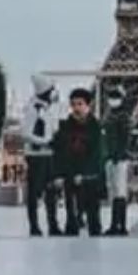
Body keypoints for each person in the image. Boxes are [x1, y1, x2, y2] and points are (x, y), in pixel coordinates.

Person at [50, 87, 105, 236]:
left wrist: (86, 174)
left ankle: (94, 237)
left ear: (88, 105)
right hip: (70, 172)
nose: (76, 108)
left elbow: (97, 154)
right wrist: (58, 174)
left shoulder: (95, 127)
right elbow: (59, 152)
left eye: (80, 104)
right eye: (73, 104)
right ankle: (72, 232)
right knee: (71, 211)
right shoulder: (65, 127)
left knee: (93, 212)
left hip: (89, 176)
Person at [20, 74, 62, 236]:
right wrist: (45, 141)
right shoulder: (33, 109)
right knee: (34, 192)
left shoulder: (47, 108)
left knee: (51, 192)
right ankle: (35, 226)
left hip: (48, 155)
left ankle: (52, 224)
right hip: (37, 156)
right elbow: (25, 133)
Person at [102, 85, 132, 235]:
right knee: (116, 192)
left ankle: (120, 226)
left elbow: (125, 139)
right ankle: (117, 225)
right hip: (113, 157)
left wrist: (118, 155)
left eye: (115, 97)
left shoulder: (121, 116)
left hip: (119, 159)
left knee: (119, 191)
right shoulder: (114, 115)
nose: (112, 100)